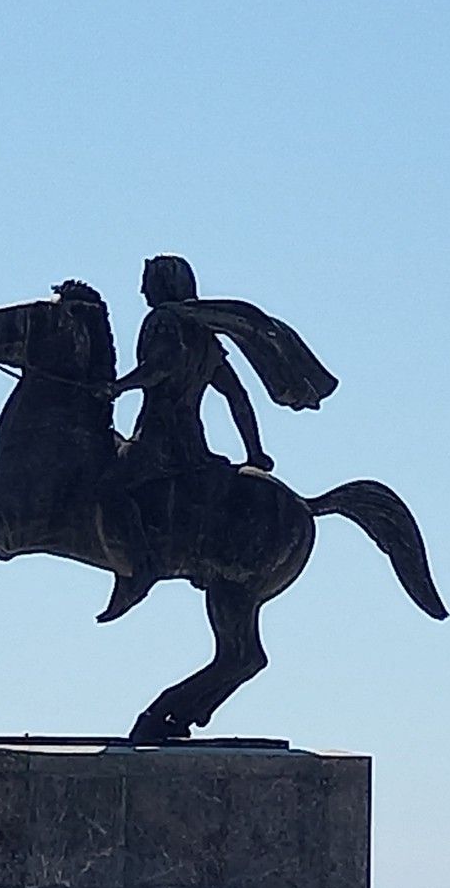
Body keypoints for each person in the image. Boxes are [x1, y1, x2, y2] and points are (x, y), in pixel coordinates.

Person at [95, 254, 334, 622]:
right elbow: (236, 395)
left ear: (162, 284)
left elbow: (159, 369)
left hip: (158, 442)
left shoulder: (163, 321)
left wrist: (118, 387)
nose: (142, 289)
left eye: (147, 281)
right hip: (193, 444)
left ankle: (139, 569)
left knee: (105, 489)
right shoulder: (203, 335)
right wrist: (255, 451)